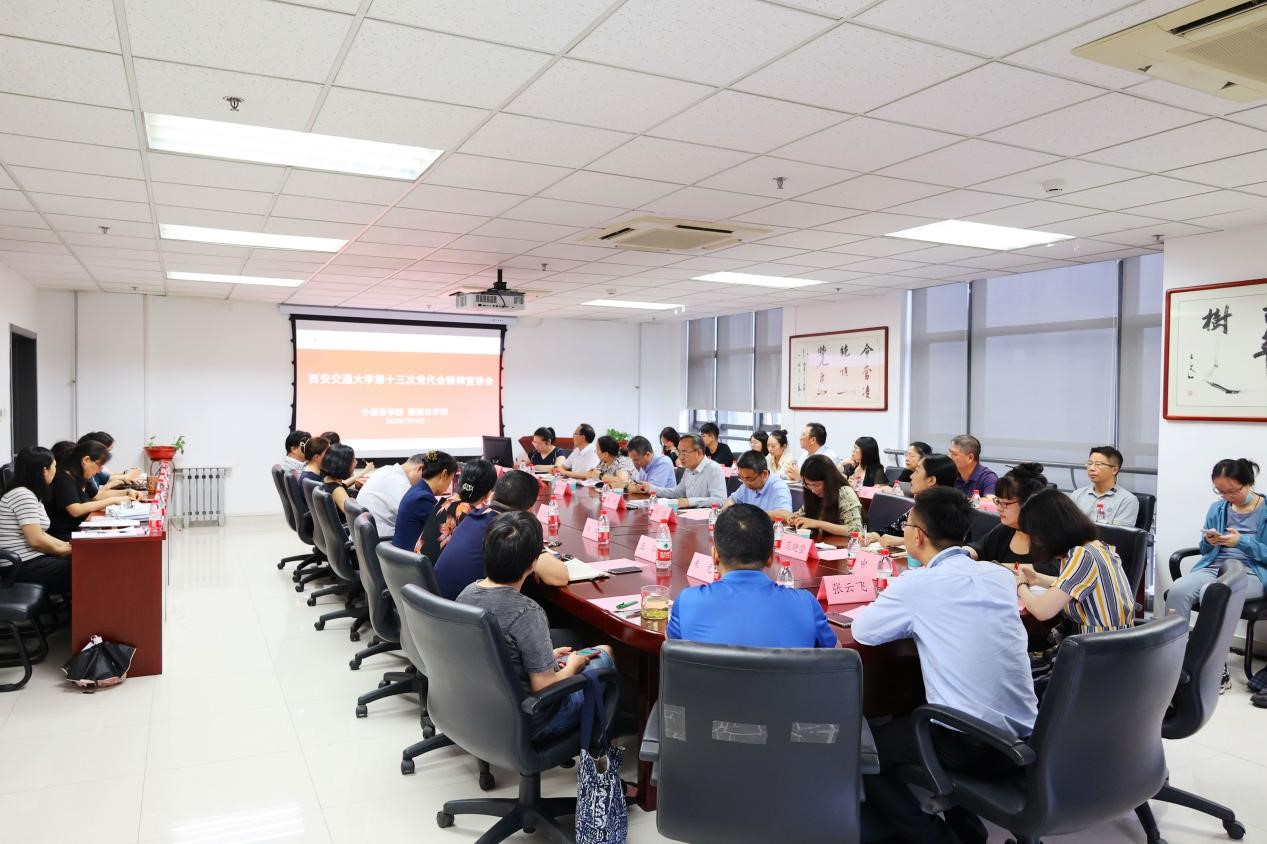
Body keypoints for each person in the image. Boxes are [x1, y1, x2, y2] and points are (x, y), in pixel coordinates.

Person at [853, 487, 1037, 844]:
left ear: (919, 535)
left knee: (860, 748)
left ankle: (933, 837)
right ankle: (967, 827)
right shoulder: (998, 576)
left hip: (968, 744)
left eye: (907, 525)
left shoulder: (918, 584)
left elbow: (864, 631)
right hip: (1025, 738)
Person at [456, 510, 615, 738]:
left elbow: (495, 653)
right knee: (605, 652)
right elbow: (544, 686)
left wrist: (545, 658)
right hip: (533, 720)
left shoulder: (466, 594)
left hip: (480, 709)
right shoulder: (527, 612)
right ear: (533, 564)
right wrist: (572, 666)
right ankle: (599, 740)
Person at [668, 503, 835, 647]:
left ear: (715, 555)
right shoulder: (805, 604)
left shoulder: (688, 601)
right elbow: (837, 657)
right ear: (771, 558)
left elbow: (671, 653)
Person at [1016, 488, 1135, 634]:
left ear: (1048, 531)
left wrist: (1021, 585)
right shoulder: (1094, 547)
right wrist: (1038, 579)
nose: (1035, 540)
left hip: (1099, 643)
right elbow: (1077, 584)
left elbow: (1042, 611)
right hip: (1115, 640)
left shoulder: (1082, 555)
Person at [436, 469, 567, 599]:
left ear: (492, 495)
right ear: (530, 509)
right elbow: (559, 577)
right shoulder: (512, 529)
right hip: (470, 608)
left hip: (441, 604)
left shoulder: (473, 516)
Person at [1165, 458, 1266, 624]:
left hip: (1252, 574)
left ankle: (1207, 642)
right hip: (1214, 568)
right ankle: (1174, 640)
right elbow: (1204, 550)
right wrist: (1209, 541)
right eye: (1221, 491)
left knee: (1212, 592)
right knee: (1178, 589)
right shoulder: (1217, 508)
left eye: (1232, 491)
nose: (1227, 497)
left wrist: (1241, 542)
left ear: (1248, 483)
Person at [963, 463, 1060, 575]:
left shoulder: (1053, 535)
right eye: (997, 501)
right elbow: (979, 549)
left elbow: (1056, 570)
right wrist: (961, 553)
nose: (999, 508)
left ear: (1029, 503)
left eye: (1005, 503)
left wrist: (999, 567)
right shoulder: (1005, 530)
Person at [0, 446, 72, 594]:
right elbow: (36, 540)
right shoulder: (23, 495)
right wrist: (62, 550)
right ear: (44, 470)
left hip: (29, 561)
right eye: (54, 466)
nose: (56, 470)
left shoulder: (30, 492)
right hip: (19, 566)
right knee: (82, 569)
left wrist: (66, 546)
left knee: (80, 562)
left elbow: (40, 533)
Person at [48, 439, 138, 540]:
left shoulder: (82, 476)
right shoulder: (63, 478)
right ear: (86, 460)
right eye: (99, 465)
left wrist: (126, 492)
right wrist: (112, 501)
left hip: (81, 530)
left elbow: (97, 496)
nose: (99, 470)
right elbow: (76, 510)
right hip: (65, 536)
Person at [864, 453, 957, 548]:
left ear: (931, 480)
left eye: (917, 471)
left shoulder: (950, 511)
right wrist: (875, 535)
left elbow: (943, 545)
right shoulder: (922, 505)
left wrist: (902, 541)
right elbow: (896, 528)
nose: (911, 476)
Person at [416, 458, 497, 563]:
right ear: (488, 492)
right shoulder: (467, 512)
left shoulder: (446, 502)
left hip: (419, 569)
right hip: (435, 572)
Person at [391, 451, 458, 553]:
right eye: (451, 479)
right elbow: (446, 528)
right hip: (411, 559)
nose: (450, 484)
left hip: (403, 555)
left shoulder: (417, 490)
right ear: (444, 474)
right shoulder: (422, 498)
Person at [636, 433, 725, 508]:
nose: (680, 457)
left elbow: (719, 500)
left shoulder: (714, 469)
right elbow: (678, 492)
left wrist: (689, 502)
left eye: (684, 453)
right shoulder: (688, 469)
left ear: (699, 452)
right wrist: (650, 488)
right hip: (689, 516)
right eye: (679, 452)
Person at [787, 454, 862, 537]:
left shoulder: (844, 492)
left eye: (816, 485)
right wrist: (794, 517)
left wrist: (818, 523)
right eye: (808, 484)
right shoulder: (810, 491)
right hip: (822, 541)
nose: (812, 490)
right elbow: (803, 512)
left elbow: (856, 529)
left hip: (842, 542)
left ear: (829, 480)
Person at [1068, 445, 1140, 528]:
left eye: (1098, 464)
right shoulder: (1077, 494)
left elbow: (1119, 534)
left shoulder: (1127, 500)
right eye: (1089, 463)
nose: (1091, 468)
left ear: (1114, 470)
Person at [356, 453, 425, 535]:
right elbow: (416, 515)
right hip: (382, 538)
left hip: (365, 536)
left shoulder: (385, 469)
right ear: (420, 469)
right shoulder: (400, 483)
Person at [726, 450, 792, 517]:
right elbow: (731, 499)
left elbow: (786, 514)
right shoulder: (746, 483)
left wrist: (752, 516)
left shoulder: (778, 486)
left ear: (764, 474)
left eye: (749, 478)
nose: (745, 483)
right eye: (741, 477)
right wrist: (729, 511)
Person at [948, 433, 997, 498]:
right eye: (949, 452)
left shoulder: (988, 477)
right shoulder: (950, 474)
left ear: (970, 458)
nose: (949, 457)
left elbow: (991, 500)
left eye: (954, 454)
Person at [319, 443, 356, 516]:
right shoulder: (337, 490)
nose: (355, 463)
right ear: (343, 465)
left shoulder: (326, 479)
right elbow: (353, 515)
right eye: (353, 461)